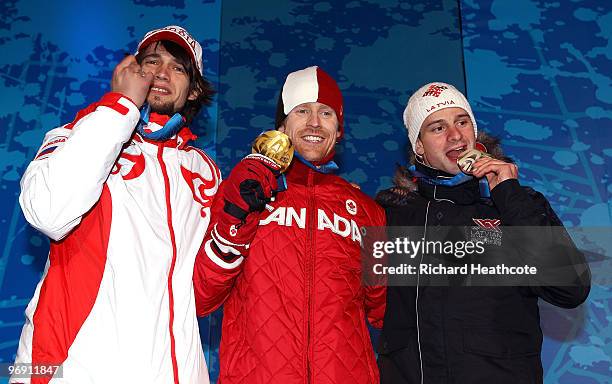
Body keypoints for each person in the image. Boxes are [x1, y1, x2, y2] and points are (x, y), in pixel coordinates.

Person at [12, 26, 219, 384]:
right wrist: (120, 107)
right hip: (68, 370)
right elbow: (46, 211)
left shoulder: (206, 173)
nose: (161, 73)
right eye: (152, 61)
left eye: (178, 67)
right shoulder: (80, 132)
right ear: (132, 71)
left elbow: (208, 286)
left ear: (194, 91)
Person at [375, 82, 591, 384]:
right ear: (419, 147)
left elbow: (570, 289)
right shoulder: (391, 213)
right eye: (438, 128)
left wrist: (507, 192)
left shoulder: (516, 205)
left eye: (462, 122)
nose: (456, 135)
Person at [193, 66, 386, 383]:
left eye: (326, 113)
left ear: (339, 130)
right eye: (302, 111)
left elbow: (391, 313)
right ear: (282, 125)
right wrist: (235, 216)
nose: (314, 122)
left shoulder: (368, 211)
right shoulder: (241, 190)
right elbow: (203, 297)